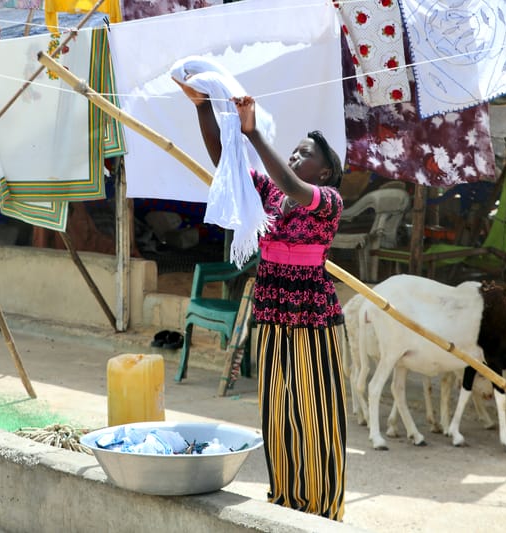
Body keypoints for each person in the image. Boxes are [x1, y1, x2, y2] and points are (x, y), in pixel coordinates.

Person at [177, 81, 348, 521]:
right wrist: (203, 109)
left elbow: (291, 184)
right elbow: (225, 165)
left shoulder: (327, 201)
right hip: (272, 314)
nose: (295, 156)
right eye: (294, 150)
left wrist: (254, 133)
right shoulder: (268, 194)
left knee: (318, 416)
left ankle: (322, 508)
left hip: (313, 320)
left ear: (325, 172)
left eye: (305, 153)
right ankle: (287, 502)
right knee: (278, 413)